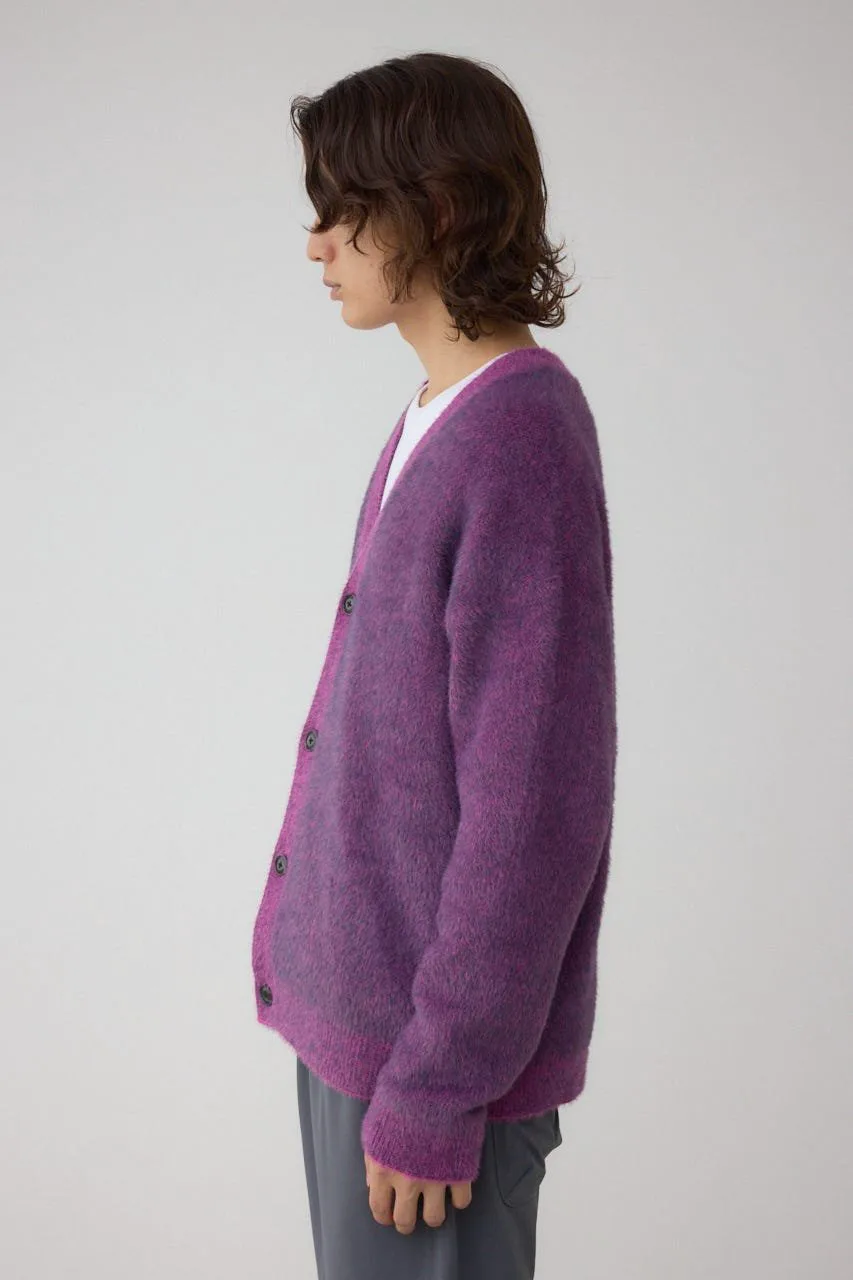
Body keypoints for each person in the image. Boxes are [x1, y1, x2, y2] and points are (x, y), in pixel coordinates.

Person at [251, 50, 617, 1280]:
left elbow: (534, 811)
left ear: (439, 207)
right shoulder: (434, 415)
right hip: (369, 1040)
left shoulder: (519, 438)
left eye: (342, 208)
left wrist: (437, 1086)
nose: (317, 244)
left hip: (427, 1072)